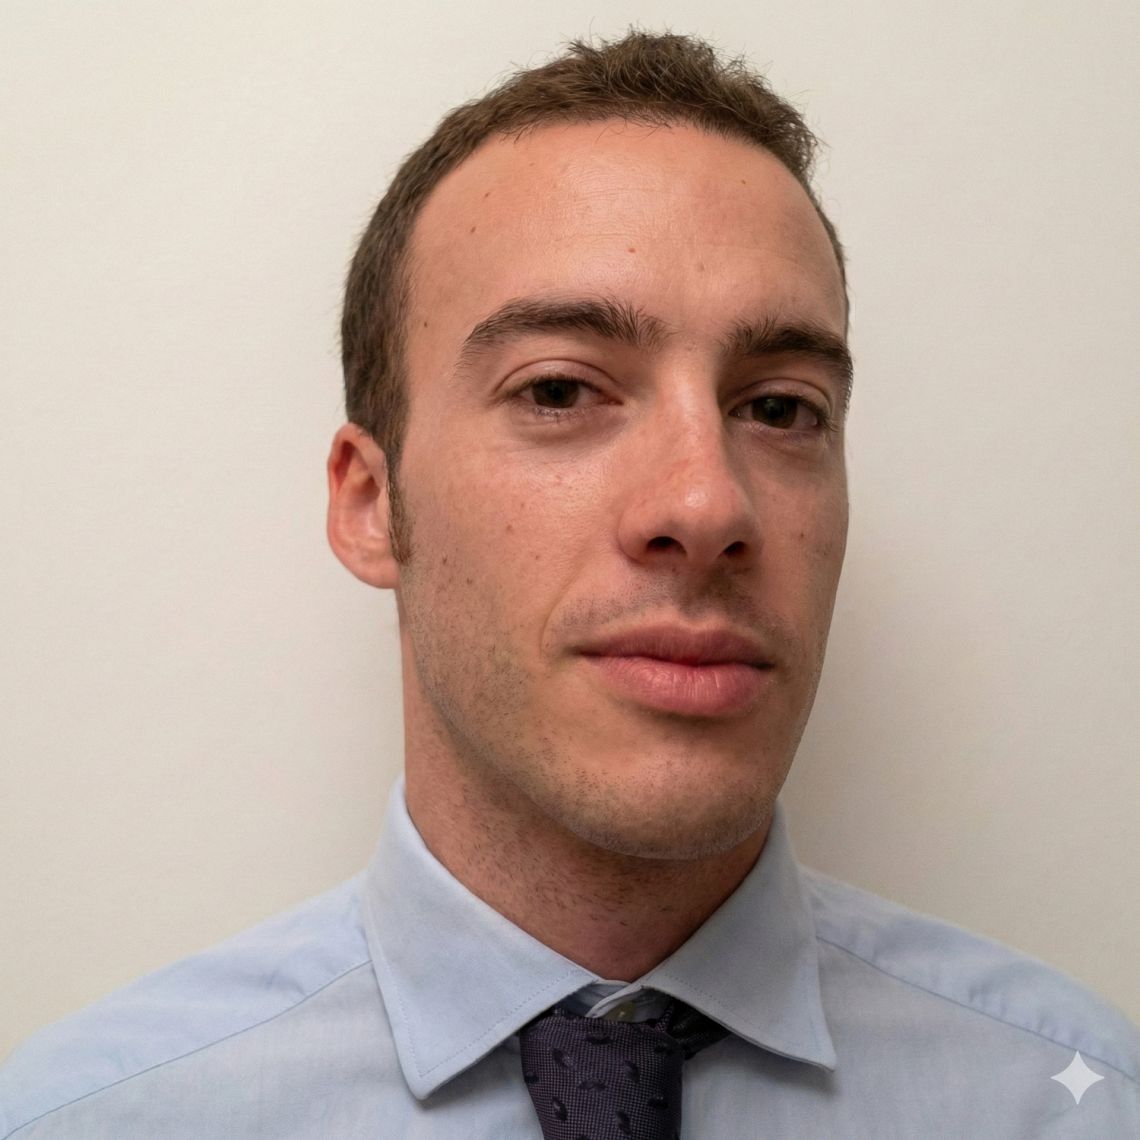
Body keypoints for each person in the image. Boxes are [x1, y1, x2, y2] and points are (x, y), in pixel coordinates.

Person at [1, 29, 1136, 1140]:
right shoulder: (94, 1119)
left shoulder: (1081, 1102)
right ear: (371, 503)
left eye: (781, 407)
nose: (707, 505)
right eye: (558, 391)